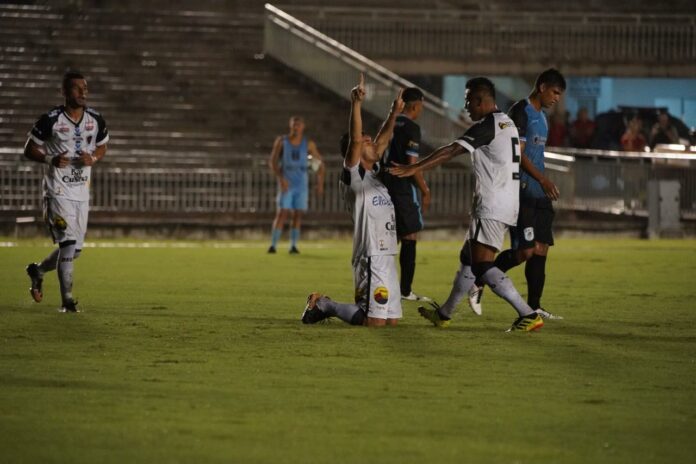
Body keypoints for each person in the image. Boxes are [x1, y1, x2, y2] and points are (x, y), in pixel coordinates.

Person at [390, 77, 544, 332]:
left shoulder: (488, 125)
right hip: (504, 202)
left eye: (468, 101)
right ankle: (444, 313)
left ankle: (527, 313)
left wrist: (414, 167)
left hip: (493, 204)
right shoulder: (507, 123)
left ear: (481, 100)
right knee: (467, 257)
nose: (466, 107)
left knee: (483, 265)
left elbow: (452, 150)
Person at [302, 74, 404, 327]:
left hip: (387, 252)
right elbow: (357, 140)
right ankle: (324, 304)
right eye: (365, 142)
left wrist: (394, 113)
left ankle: (328, 305)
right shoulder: (353, 175)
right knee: (374, 322)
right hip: (369, 254)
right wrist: (355, 104)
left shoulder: (375, 175)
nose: (372, 144)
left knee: (391, 322)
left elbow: (382, 140)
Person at [468, 68, 566, 320]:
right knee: (525, 252)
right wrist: (542, 178)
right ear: (542, 87)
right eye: (555, 92)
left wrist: (543, 182)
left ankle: (535, 306)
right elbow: (519, 155)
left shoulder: (542, 117)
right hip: (522, 192)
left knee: (541, 249)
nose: (557, 98)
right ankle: (480, 280)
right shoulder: (520, 112)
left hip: (539, 194)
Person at [24, 71, 109, 313]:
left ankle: (38, 270)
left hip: (81, 192)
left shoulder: (96, 119)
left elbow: (103, 146)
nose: (83, 92)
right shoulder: (50, 119)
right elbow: (29, 149)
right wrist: (50, 158)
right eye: (76, 88)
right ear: (64, 92)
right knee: (69, 245)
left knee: (74, 251)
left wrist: (92, 157)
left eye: (85, 88)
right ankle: (68, 302)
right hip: (58, 191)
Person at [380, 87, 431, 301]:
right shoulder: (411, 128)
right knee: (409, 236)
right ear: (415, 105)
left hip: (383, 183)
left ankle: (380, 284)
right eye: (421, 107)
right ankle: (405, 291)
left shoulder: (388, 123)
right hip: (401, 187)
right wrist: (425, 189)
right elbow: (411, 164)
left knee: (390, 237)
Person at [267, 116, 325, 254]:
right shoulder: (282, 142)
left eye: (298, 125)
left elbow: (321, 164)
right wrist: (280, 178)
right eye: (294, 125)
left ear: (303, 127)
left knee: (297, 214)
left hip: (301, 183)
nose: (296, 128)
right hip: (286, 182)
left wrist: (320, 183)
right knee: (282, 212)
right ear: (290, 126)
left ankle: (293, 245)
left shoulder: (308, 144)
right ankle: (273, 245)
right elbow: (272, 162)